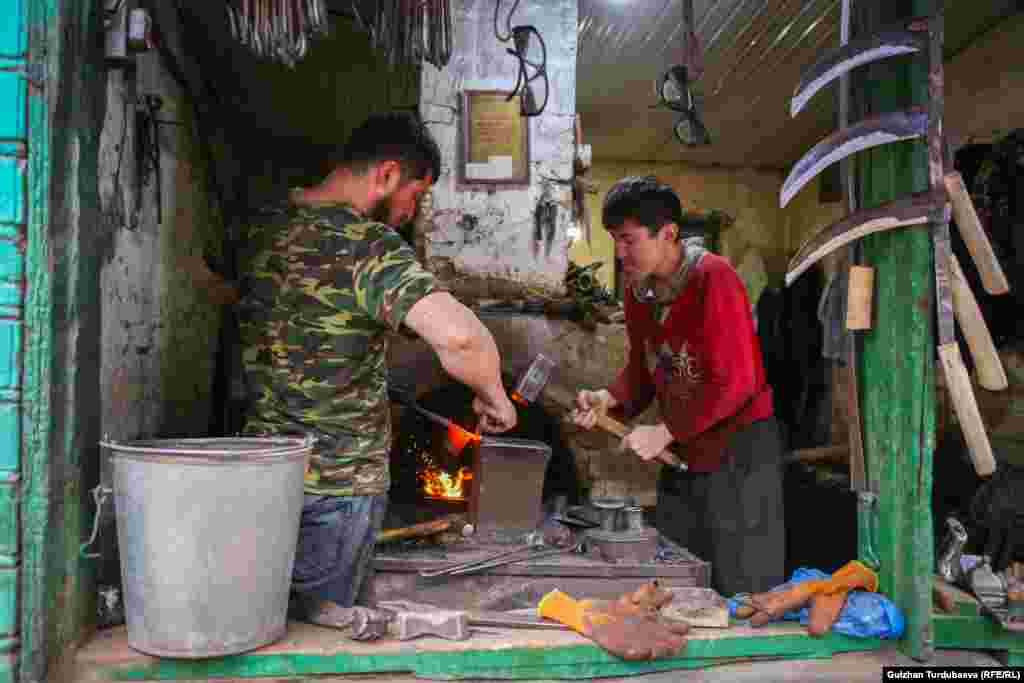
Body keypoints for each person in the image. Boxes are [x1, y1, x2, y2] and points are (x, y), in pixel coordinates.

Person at [236, 112, 517, 633]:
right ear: (387, 174)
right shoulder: (366, 245)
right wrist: (494, 395)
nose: (412, 213)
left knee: (269, 634)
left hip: (260, 479)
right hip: (338, 487)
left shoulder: (259, 225)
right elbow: (461, 337)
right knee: (325, 644)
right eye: (417, 194)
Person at [571, 175, 784, 596]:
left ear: (668, 234)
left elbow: (735, 384)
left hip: (738, 452)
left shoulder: (713, 279)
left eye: (629, 240)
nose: (619, 252)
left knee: (743, 581)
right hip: (685, 449)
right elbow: (644, 368)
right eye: (615, 240)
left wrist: (666, 430)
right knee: (680, 569)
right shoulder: (638, 290)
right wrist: (607, 398)